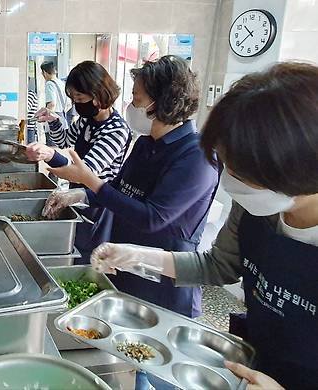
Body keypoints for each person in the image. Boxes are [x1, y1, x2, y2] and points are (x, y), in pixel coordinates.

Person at [91, 62, 318, 390]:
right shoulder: (256, 207)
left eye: (242, 172)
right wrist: (139, 256)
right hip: (257, 361)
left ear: (296, 168)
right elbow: (218, 265)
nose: (228, 182)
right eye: (228, 165)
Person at [43, 55, 219, 389]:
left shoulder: (196, 156)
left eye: (136, 98)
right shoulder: (144, 144)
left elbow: (153, 217)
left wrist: (89, 182)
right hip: (127, 270)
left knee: (161, 371)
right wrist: (78, 195)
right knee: (129, 363)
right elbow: (118, 193)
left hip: (166, 283)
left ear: (160, 102)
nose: (131, 104)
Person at [26, 60, 131, 261]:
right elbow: (66, 140)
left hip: (98, 205)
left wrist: (49, 155)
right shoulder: (86, 120)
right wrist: (54, 120)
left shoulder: (116, 130)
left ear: (98, 95)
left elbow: (85, 171)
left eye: (80, 97)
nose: (76, 104)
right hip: (77, 197)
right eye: (73, 98)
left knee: (89, 260)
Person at [40, 61, 71, 141]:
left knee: (52, 148)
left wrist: (46, 117)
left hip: (54, 121)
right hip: (63, 119)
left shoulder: (49, 84)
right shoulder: (61, 83)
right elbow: (69, 104)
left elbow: (52, 104)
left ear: (44, 72)